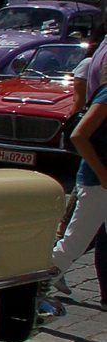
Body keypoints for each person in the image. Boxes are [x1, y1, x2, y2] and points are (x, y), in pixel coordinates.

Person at [50, 77, 107, 300]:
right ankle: (34, 291)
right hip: (97, 184)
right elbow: (79, 136)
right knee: (73, 244)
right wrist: (103, 174)